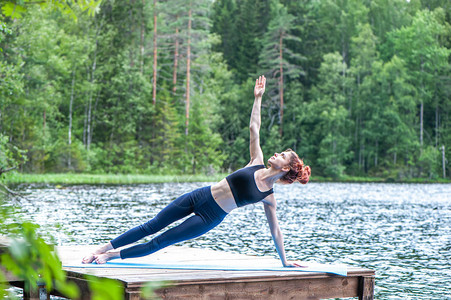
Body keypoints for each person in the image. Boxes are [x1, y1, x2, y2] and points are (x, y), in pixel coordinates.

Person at [82, 75, 311, 267]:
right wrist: (258, 98)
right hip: (200, 195)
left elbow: (276, 231)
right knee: (151, 226)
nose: (276, 154)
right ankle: (102, 248)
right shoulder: (256, 161)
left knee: (160, 242)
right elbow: (254, 127)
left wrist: (285, 261)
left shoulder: (268, 197)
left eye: (282, 155)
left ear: (285, 168)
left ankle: (112, 256)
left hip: (209, 217)